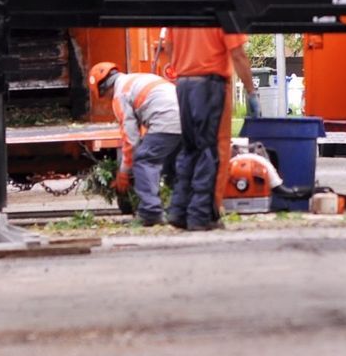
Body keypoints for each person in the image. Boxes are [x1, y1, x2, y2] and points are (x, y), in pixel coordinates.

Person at [158, 25, 252, 230]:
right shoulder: (223, 11)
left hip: (184, 83)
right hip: (209, 84)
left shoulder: (181, 12)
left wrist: (183, 68)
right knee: (209, 149)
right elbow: (238, 54)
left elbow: (169, 47)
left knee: (190, 148)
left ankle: (179, 210)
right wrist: (251, 90)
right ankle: (201, 215)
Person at [90, 62, 177, 226]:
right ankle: (180, 211)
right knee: (172, 167)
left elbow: (131, 140)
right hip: (186, 119)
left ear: (104, 88)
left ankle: (151, 212)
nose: (108, 100)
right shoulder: (135, 80)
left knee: (143, 161)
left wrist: (124, 172)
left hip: (166, 120)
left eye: (105, 97)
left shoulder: (120, 95)